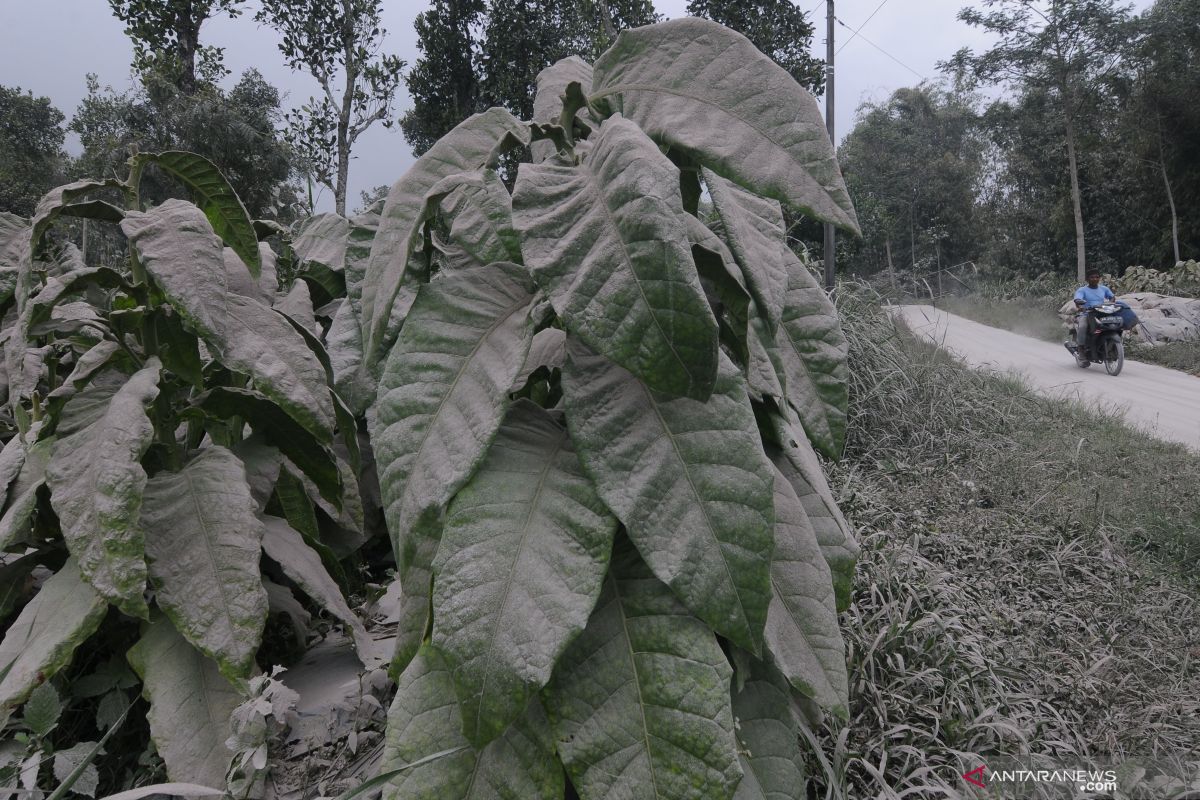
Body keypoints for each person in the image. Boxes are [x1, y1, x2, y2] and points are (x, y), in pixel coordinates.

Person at [1072, 268, 1116, 357]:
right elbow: (1077, 299)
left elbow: (1112, 297)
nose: (1095, 279)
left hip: (1102, 313)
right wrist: (1080, 305)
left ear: (1099, 278)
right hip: (1087, 314)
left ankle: (1113, 345)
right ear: (1087, 279)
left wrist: (1110, 302)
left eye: (1097, 277)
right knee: (1083, 327)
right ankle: (1081, 348)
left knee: (1114, 325)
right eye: (1092, 277)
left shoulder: (1104, 288)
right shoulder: (1082, 290)